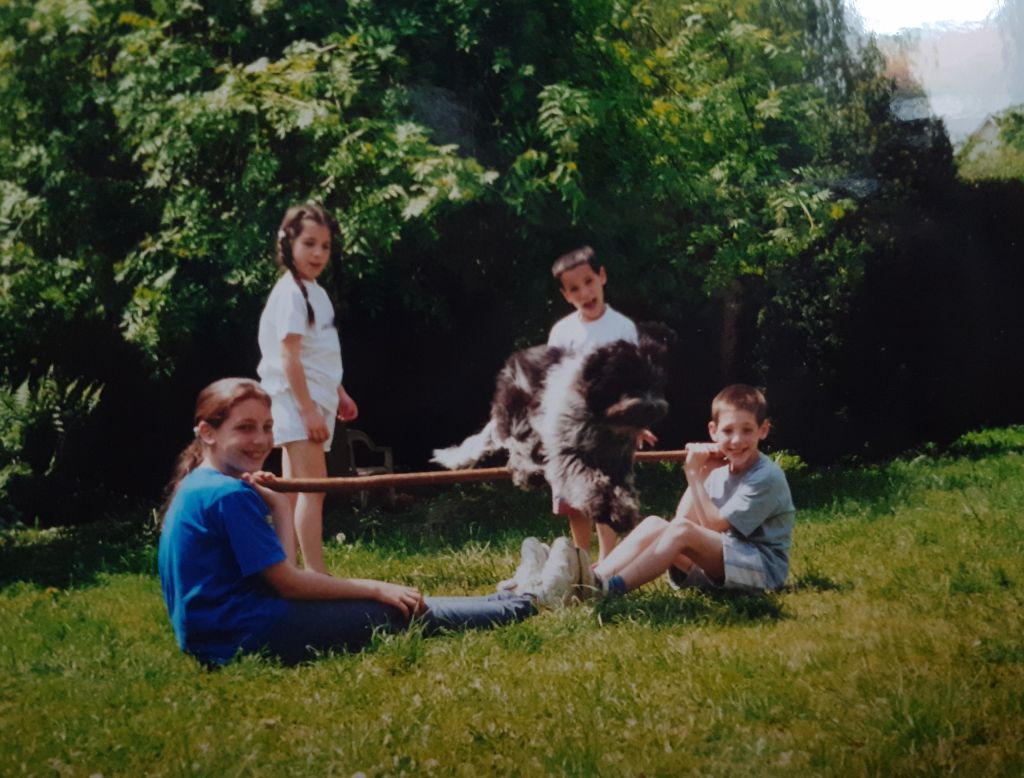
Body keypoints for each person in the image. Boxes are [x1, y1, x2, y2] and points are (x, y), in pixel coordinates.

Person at [158, 378, 536, 667]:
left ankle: (509, 597)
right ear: (207, 432)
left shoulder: (199, 485)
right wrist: (375, 588)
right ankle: (528, 604)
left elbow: (280, 577)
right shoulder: (228, 495)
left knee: (399, 604)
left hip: (220, 633)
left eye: (268, 426)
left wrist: (281, 508)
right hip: (242, 636)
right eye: (245, 427)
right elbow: (289, 584)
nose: (261, 440)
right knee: (394, 611)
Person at [510, 384, 795, 602]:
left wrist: (693, 474)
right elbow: (681, 521)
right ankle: (588, 581)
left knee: (681, 530)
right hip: (726, 566)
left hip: (761, 572)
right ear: (713, 432)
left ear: (763, 430)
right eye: (728, 430)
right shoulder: (719, 473)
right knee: (656, 523)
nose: (736, 440)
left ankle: (609, 590)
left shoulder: (766, 476)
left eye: (747, 430)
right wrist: (703, 472)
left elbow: (710, 526)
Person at [257, 203, 357, 573]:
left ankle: (292, 570)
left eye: (325, 246)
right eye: (309, 244)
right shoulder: (291, 294)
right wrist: (308, 411)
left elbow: (318, 355)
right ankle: (316, 575)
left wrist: (339, 393)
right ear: (289, 244)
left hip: (317, 398)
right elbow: (288, 358)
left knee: (296, 491)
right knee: (314, 490)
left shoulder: (315, 292)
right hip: (299, 404)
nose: (318, 253)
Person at [546, 245, 654, 561]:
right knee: (575, 499)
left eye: (589, 282)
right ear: (566, 295)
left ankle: (608, 562)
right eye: (574, 288)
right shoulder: (562, 331)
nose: (584, 292)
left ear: (602, 276)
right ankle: (580, 562)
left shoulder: (623, 327)